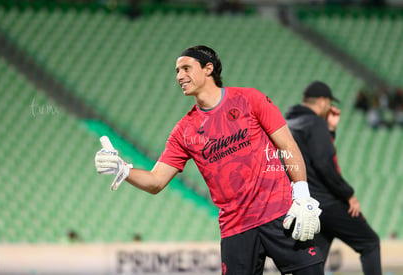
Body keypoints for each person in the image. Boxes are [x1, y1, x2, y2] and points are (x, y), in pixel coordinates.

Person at [95, 45, 324, 275]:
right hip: (236, 231)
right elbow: (156, 181)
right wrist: (123, 169)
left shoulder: (250, 99)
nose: (179, 76)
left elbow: (287, 146)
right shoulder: (184, 131)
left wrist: (302, 194)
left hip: (280, 215)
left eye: (186, 68)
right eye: (176, 71)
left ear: (208, 68)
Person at [285, 81, 382, 275]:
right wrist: (348, 194)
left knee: (315, 260)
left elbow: (310, 156)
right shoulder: (315, 123)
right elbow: (323, 164)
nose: (330, 108)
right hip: (327, 203)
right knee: (370, 243)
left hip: (304, 206)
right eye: (329, 103)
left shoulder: (288, 125)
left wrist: (329, 130)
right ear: (322, 102)